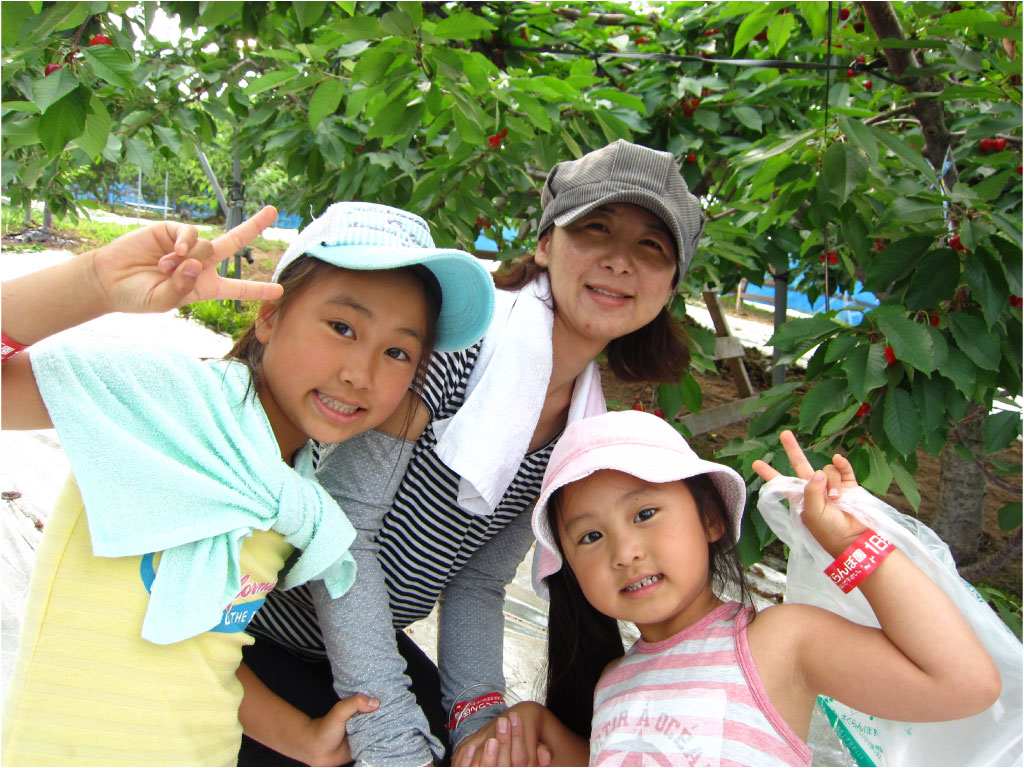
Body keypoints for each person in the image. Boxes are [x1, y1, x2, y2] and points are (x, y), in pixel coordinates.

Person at [237, 139, 707, 766]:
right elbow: (346, 528)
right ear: (545, 244)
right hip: (252, 632)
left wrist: (477, 719)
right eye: (596, 228)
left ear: (670, 285)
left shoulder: (579, 434)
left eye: (651, 246)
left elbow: (479, 581)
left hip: (353, 649)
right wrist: (387, 726)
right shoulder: (455, 351)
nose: (620, 261)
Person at [0, 202, 495, 766]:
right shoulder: (165, 404)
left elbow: (206, 650)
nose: (361, 374)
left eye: (397, 352)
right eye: (342, 327)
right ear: (269, 317)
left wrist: (301, 738)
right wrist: (93, 281)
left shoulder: (294, 498)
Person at [453, 411, 1002, 766]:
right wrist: (542, 728)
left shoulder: (777, 642)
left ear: (711, 518)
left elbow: (963, 684)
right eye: (590, 537)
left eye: (645, 513)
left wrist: (851, 543)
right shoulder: (612, 683)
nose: (624, 551)